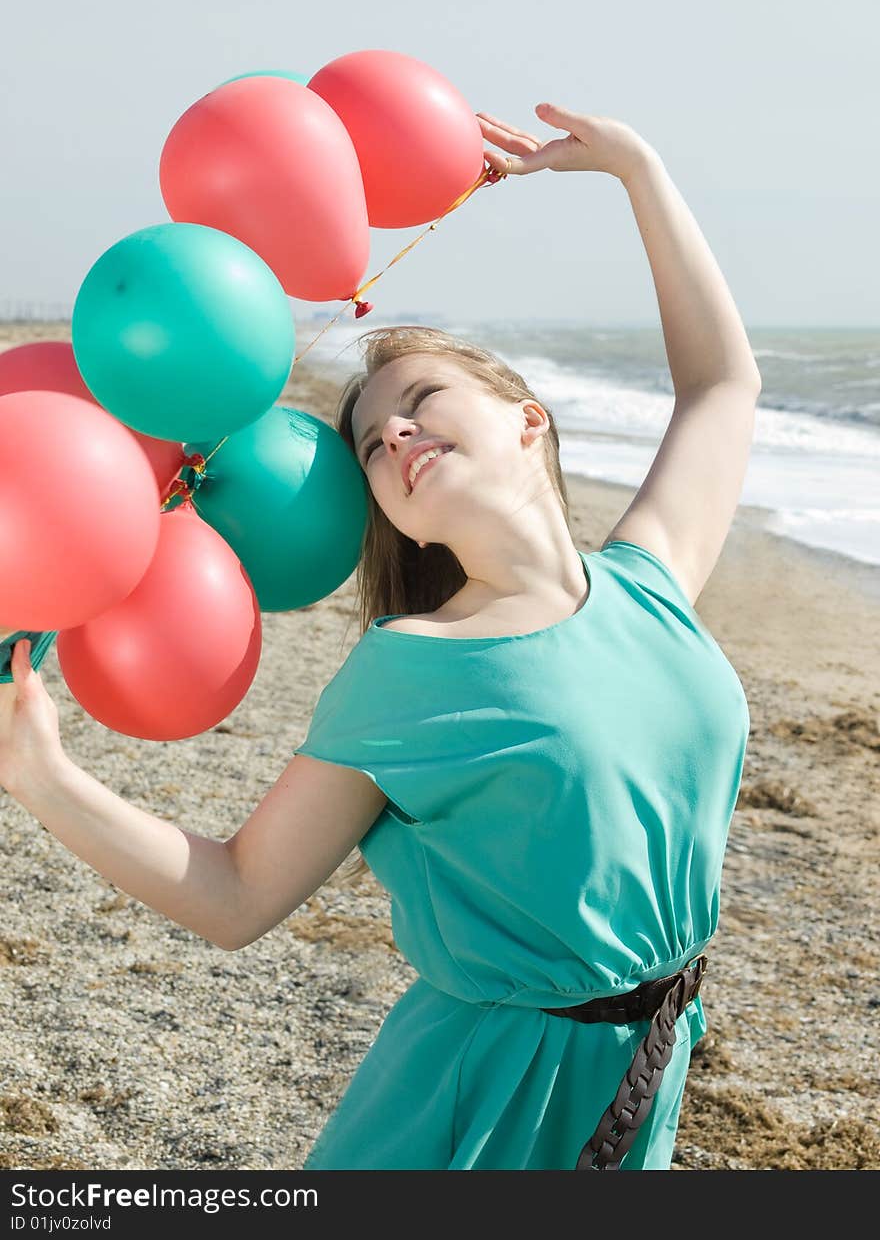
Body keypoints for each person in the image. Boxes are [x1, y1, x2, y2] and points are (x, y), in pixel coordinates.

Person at [0, 104, 761, 1170]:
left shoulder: (650, 579)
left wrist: (638, 169)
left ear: (526, 417)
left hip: (651, 1059)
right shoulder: (409, 669)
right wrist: (40, 774)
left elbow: (722, 385)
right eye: (369, 441)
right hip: (481, 1096)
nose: (392, 432)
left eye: (419, 399)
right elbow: (234, 896)